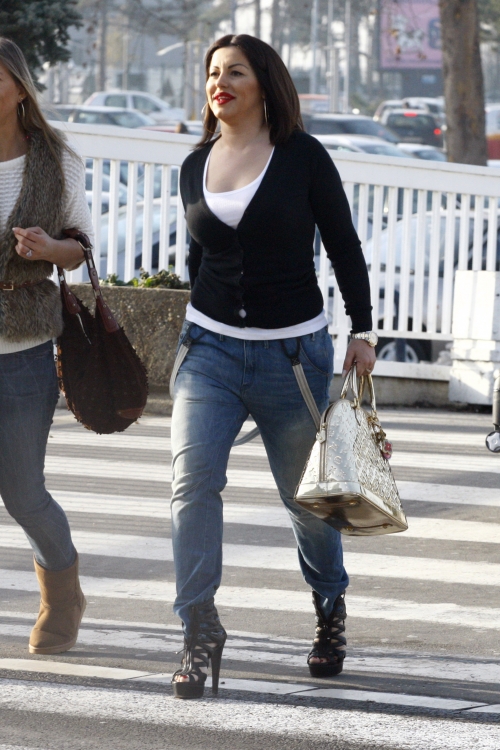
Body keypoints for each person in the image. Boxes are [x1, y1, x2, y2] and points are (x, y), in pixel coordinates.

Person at [170, 34, 376, 699]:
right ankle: (199, 629)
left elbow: (343, 244)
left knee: (306, 500)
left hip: (292, 356)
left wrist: (363, 330)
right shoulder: (194, 164)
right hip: (208, 351)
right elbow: (200, 260)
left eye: (234, 72)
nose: (219, 83)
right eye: (212, 72)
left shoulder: (303, 158)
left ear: (265, 84)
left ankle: (329, 604)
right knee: (191, 486)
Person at [0, 38, 92, 654]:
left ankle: (63, 595)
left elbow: (79, 248)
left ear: (20, 87)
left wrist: (47, 248)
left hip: (25, 347)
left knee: (23, 493)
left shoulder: (56, 159)